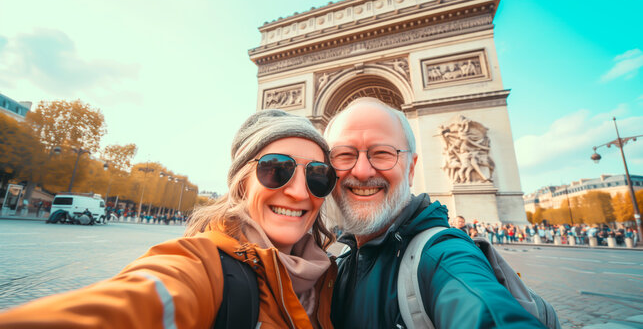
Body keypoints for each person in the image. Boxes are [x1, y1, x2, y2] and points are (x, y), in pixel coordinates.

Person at [0, 109, 339, 328]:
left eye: (318, 175)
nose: (298, 192)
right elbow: (137, 303)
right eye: (276, 169)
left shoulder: (331, 276)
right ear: (241, 182)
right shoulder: (203, 265)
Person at [324, 98, 545, 328]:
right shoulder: (339, 266)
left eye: (382, 153)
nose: (361, 171)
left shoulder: (443, 258)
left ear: (411, 168)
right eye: (344, 155)